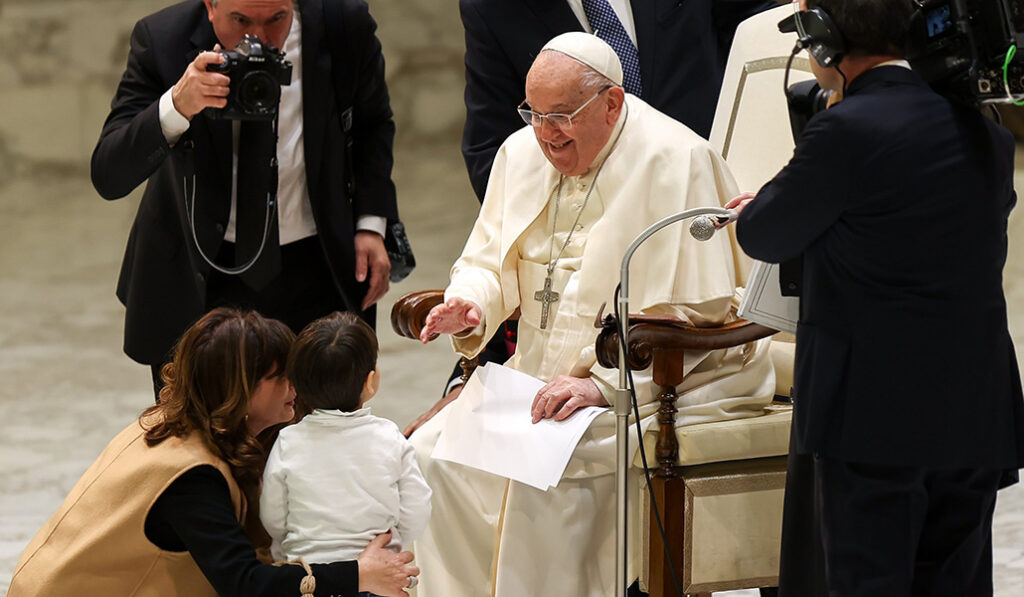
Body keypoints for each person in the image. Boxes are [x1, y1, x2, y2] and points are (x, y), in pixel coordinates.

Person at [410, 32, 775, 596]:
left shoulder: (676, 161)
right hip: (532, 373)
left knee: (548, 475)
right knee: (427, 455)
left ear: (611, 103)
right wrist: (470, 304)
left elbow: (697, 308)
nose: (545, 134)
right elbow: (488, 259)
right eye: (534, 113)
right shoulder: (519, 152)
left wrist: (606, 385)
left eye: (561, 116)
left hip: (651, 377)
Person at [731, 1, 1024, 594]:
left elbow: (763, 231)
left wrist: (772, 196)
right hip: (975, 409)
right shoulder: (983, 130)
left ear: (823, 39)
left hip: (873, 420)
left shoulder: (844, 130)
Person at [90, 0, 399, 392]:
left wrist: (371, 223)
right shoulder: (162, 39)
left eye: (276, 19)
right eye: (240, 20)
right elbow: (108, 174)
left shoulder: (343, 24)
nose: (260, 37)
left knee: (321, 437)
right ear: (210, 6)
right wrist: (176, 106)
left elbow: (373, 125)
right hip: (200, 272)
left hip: (315, 265)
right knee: (200, 446)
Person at [8, 308, 419, 597]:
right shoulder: (192, 477)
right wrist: (356, 575)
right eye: (280, 377)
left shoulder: (170, 422)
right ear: (242, 390)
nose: (295, 385)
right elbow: (244, 584)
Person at [260, 311, 432, 585]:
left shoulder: (289, 440)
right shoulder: (389, 436)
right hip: (378, 577)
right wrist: (396, 540)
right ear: (370, 382)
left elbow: (273, 515)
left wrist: (283, 548)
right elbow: (417, 507)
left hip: (309, 578)